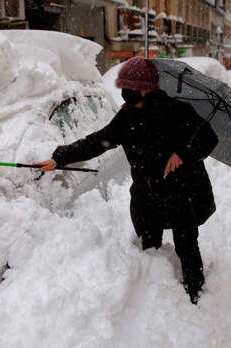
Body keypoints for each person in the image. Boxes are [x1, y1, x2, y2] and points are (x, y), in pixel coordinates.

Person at [34, 57, 218, 305]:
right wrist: (60, 157)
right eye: (124, 87)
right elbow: (98, 141)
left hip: (181, 190)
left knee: (185, 243)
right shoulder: (127, 117)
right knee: (149, 244)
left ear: (147, 87)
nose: (125, 93)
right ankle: (154, 299)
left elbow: (208, 138)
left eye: (131, 87)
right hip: (148, 193)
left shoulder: (177, 110)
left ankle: (195, 295)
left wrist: (183, 154)